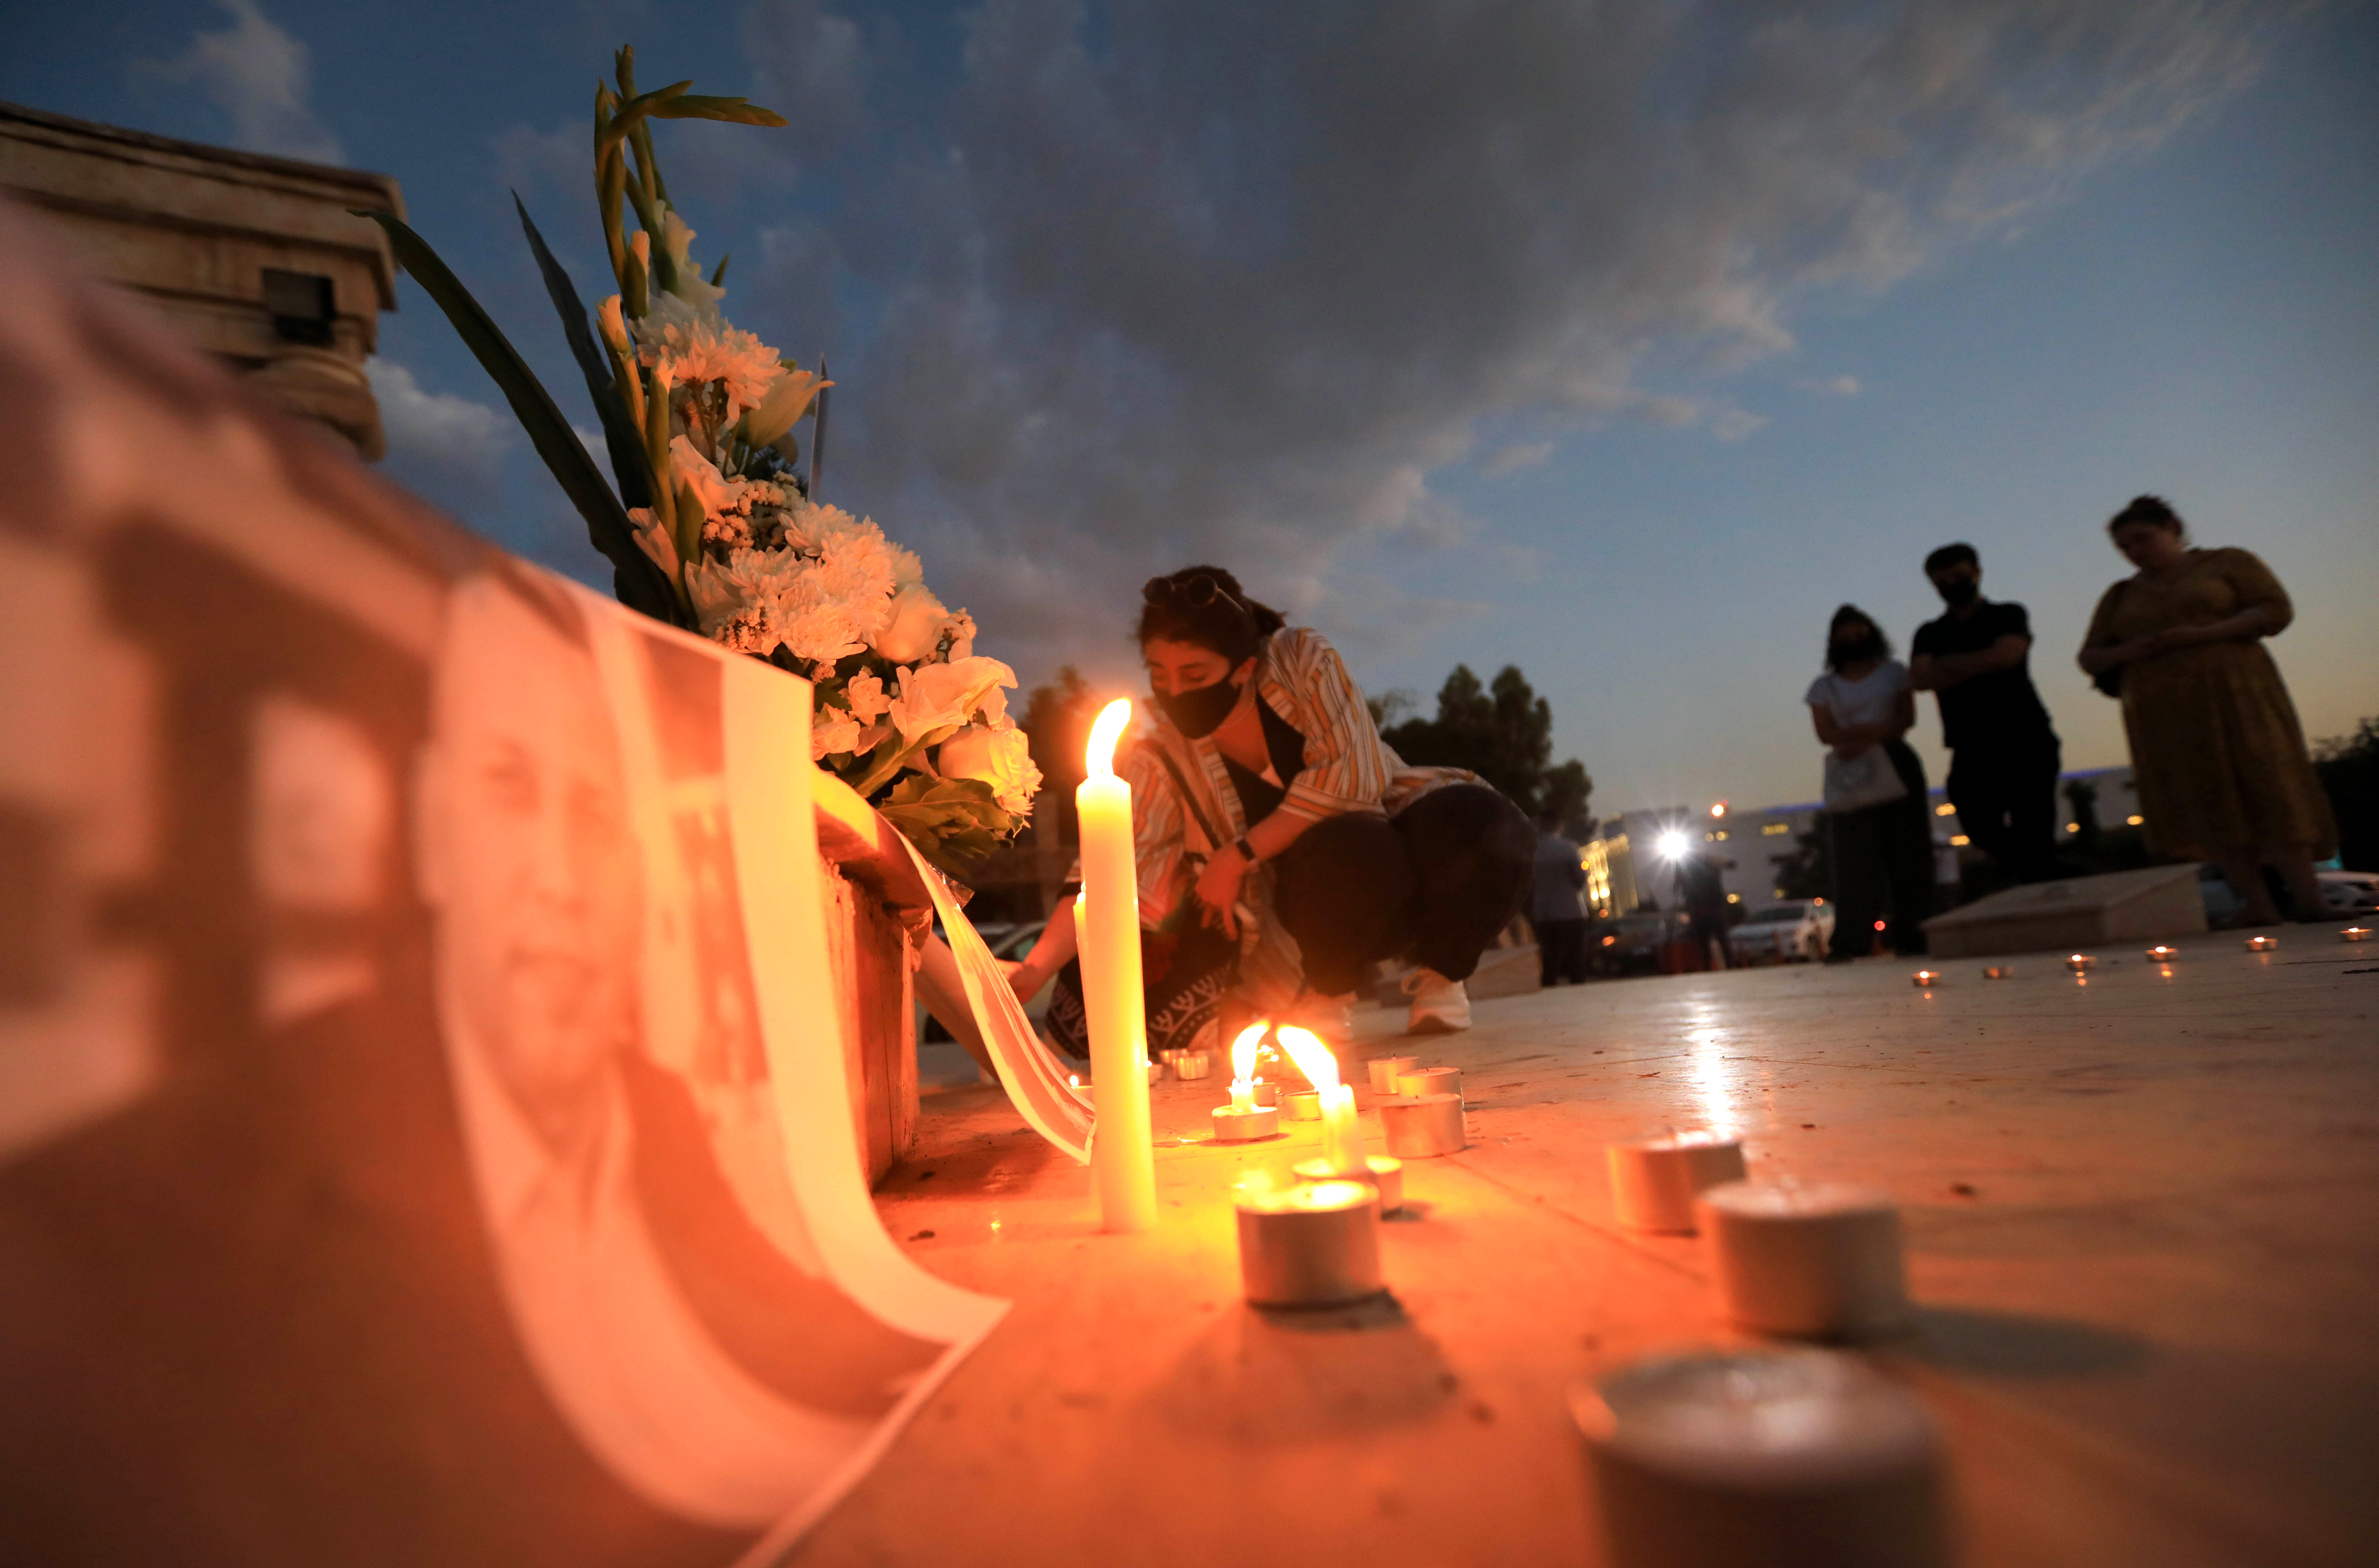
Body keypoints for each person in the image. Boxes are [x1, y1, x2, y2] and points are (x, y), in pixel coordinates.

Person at [1009, 566, 1534, 1047]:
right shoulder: (1166, 760)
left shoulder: (1300, 661)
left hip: (1410, 859)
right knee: (1347, 847)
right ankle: (1329, 993)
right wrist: (1034, 968)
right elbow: (1112, 865)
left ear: (1244, 669)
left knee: (1482, 820)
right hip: (1314, 916)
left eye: (1194, 675)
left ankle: (1443, 976)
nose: (1174, 691)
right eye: (1159, 675)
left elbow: (1353, 777)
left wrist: (1236, 855)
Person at [2078, 495, 2337, 926]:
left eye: (2143, 539)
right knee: (2205, 793)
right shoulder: (2122, 595)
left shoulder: (2227, 563)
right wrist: (2136, 649)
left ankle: (2308, 894)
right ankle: (2256, 901)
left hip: (2237, 690)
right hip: (2165, 711)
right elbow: (2090, 656)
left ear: (2173, 527)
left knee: (2270, 780)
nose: (2136, 552)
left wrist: (2206, 633)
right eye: (2125, 548)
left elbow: (2274, 610)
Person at [1909, 542, 2063, 887]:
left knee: (2034, 820)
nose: (1952, 584)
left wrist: (1947, 667)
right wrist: (1982, 660)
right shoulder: (1930, 633)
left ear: (1977, 573)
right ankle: (2034, 868)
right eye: (1942, 580)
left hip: (2025, 734)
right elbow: (1920, 678)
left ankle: (2038, 875)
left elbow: (2006, 657)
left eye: (1959, 576)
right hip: (1970, 743)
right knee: (1976, 820)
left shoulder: (2008, 614)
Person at [1806, 605, 1935, 960]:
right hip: (1850, 770)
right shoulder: (1823, 687)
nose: (1853, 639)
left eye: (1859, 630)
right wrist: (1865, 737)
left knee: (1910, 853)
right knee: (1852, 859)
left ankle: (1916, 933)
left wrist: (1862, 735)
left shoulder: (1894, 673)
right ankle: (1851, 941)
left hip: (1896, 762)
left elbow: (1905, 717)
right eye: (1845, 633)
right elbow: (1825, 732)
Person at [1531, 809, 1590, 986]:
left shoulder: (1534, 850)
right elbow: (1580, 879)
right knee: (1576, 957)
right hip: (1571, 909)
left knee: (1550, 958)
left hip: (1544, 912)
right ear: (1560, 826)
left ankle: (1550, 987)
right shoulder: (1569, 848)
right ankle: (1578, 988)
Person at [1673, 840, 1734, 970]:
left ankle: (1728, 966)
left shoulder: (1708, 863)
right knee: (1705, 942)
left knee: (1718, 940)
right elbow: (1677, 885)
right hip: (1700, 909)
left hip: (1711, 907)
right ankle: (1711, 967)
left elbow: (1730, 864)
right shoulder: (1686, 867)